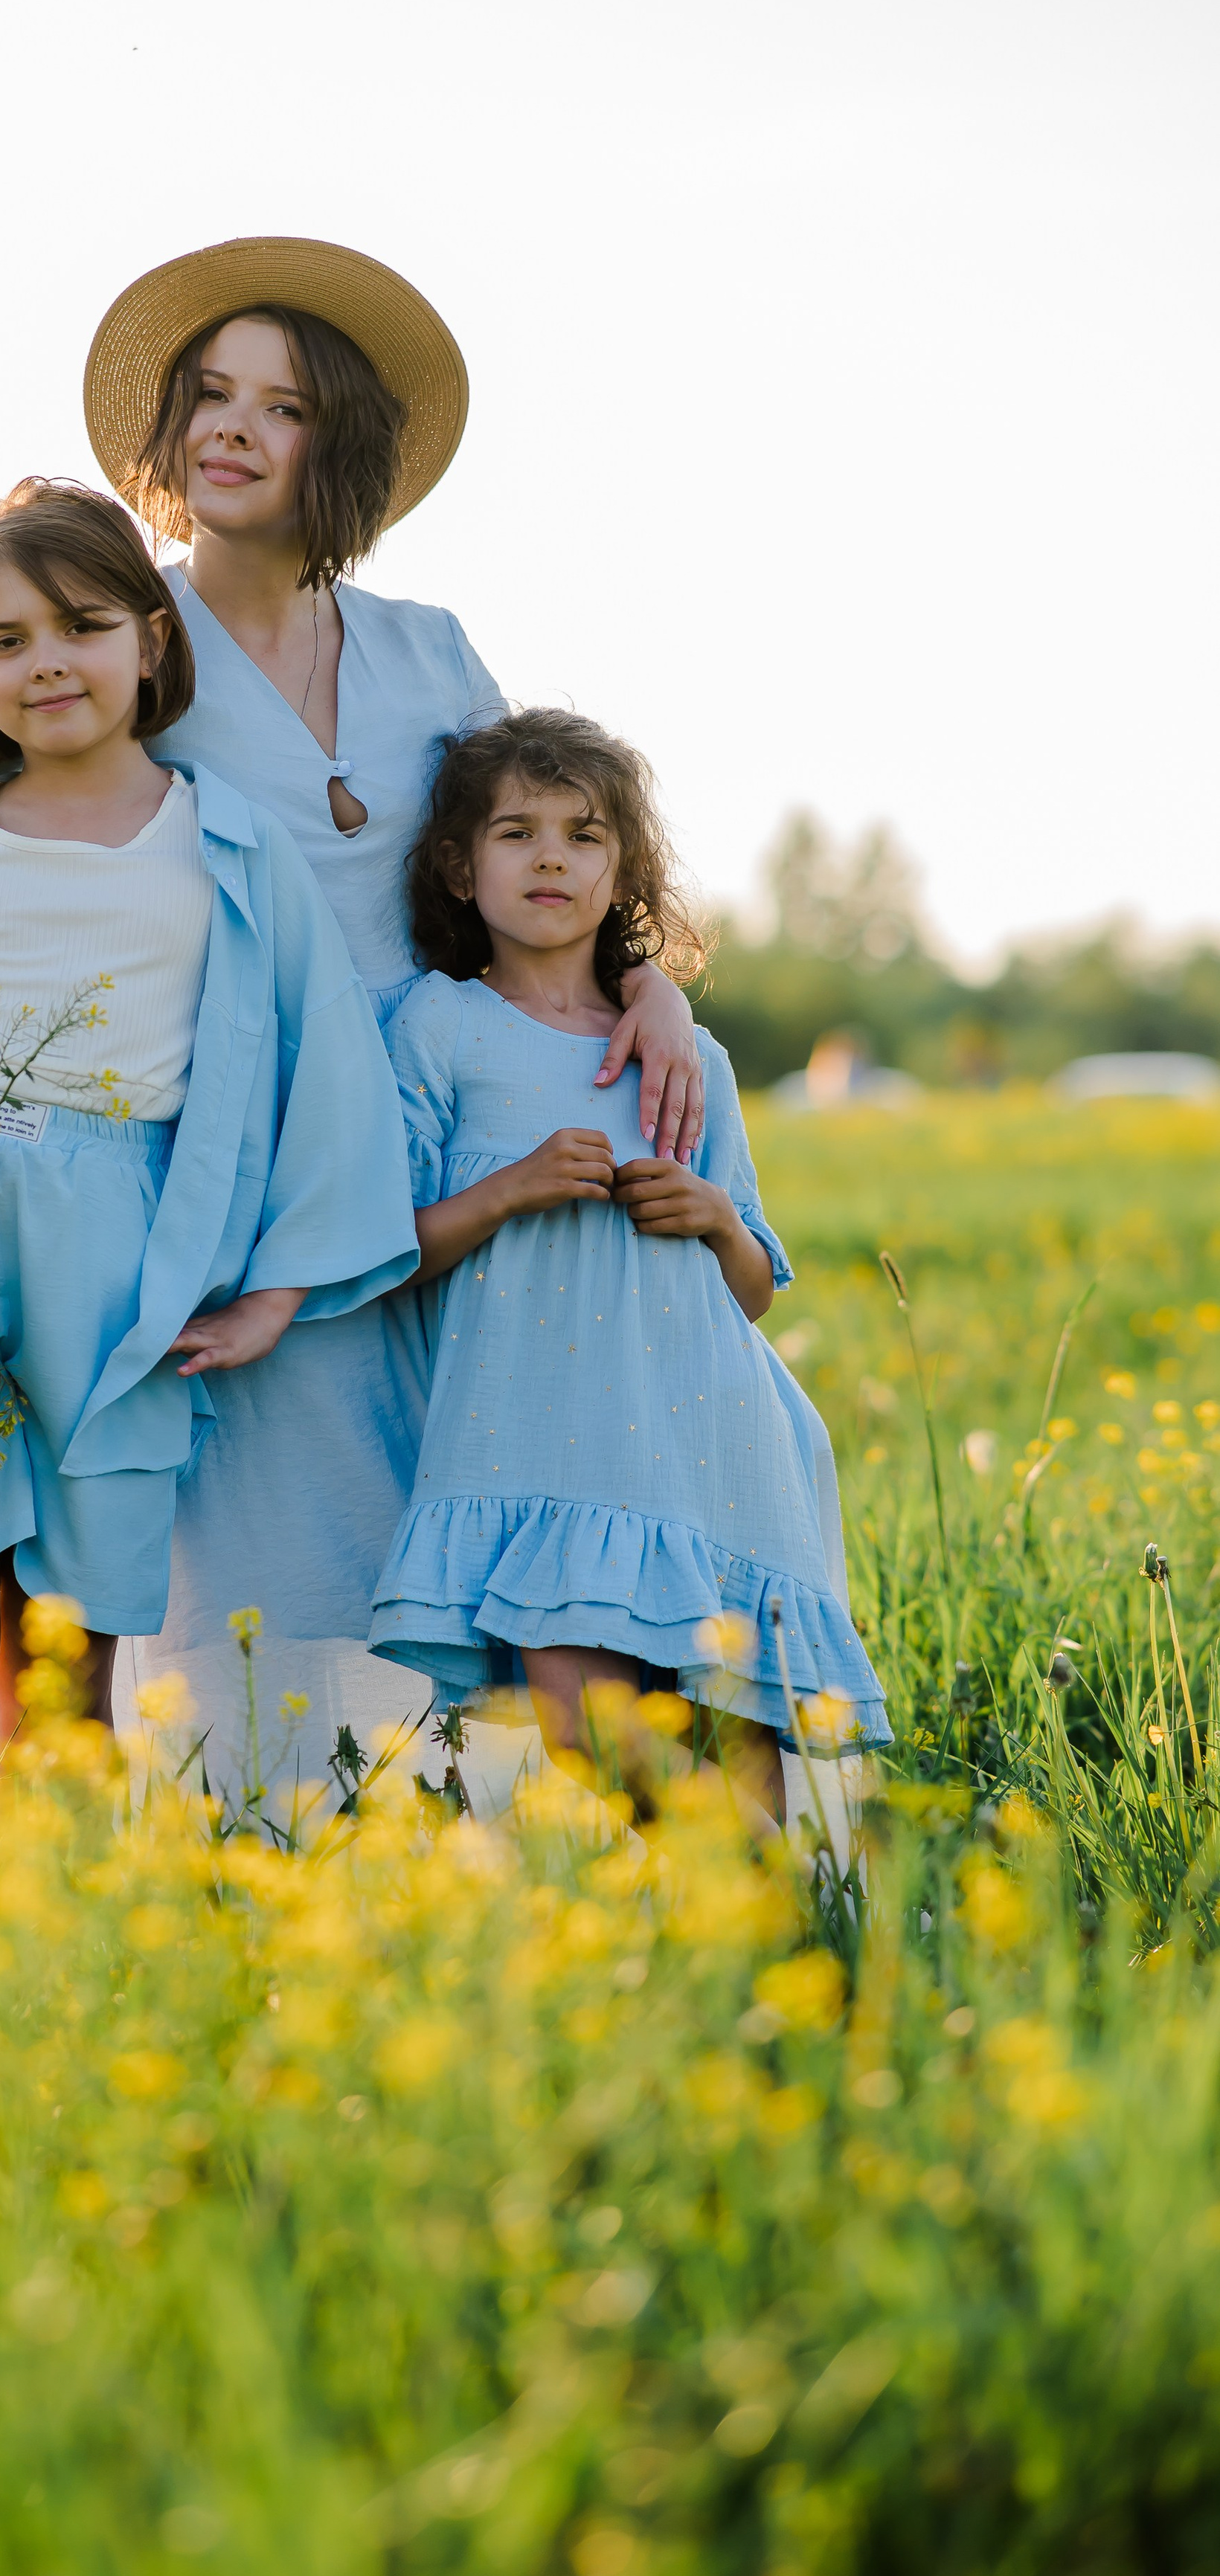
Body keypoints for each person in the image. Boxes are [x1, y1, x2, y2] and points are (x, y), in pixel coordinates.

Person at [0, 239, 707, 1801]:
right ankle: (245, 1834)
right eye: (209, 394)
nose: (231, 428)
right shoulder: (112, 631)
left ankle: (456, 1839)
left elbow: (545, 845)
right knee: (226, 1525)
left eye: (280, 406)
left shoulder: (429, 648)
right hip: (224, 1148)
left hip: (438, 1137)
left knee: (455, 1493)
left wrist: (648, 981)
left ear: (339, 446)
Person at [0, 478, 417, 1836]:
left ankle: (46, 1936)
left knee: (61, 1671)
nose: (46, 664)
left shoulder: (226, 842)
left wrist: (278, 1290)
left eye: (82, 627)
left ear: (153, 640)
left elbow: (326, 1064)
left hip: (124, 1279)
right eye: (5, 642)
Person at [370, 708, 889, 1816]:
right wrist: (509, 1189)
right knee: (584, 1728)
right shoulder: (439, 1026)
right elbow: (384, 1253)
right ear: (460, 869)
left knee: (734, 1742)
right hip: (538, 1452)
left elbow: (752, 1293)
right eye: (516, 833)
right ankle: (764, 1895)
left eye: (585, 835)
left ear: (624, 876)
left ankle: (766, 1922)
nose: (551, 858)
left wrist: (717, 1218)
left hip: (709, 1442)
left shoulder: (688, 1055)